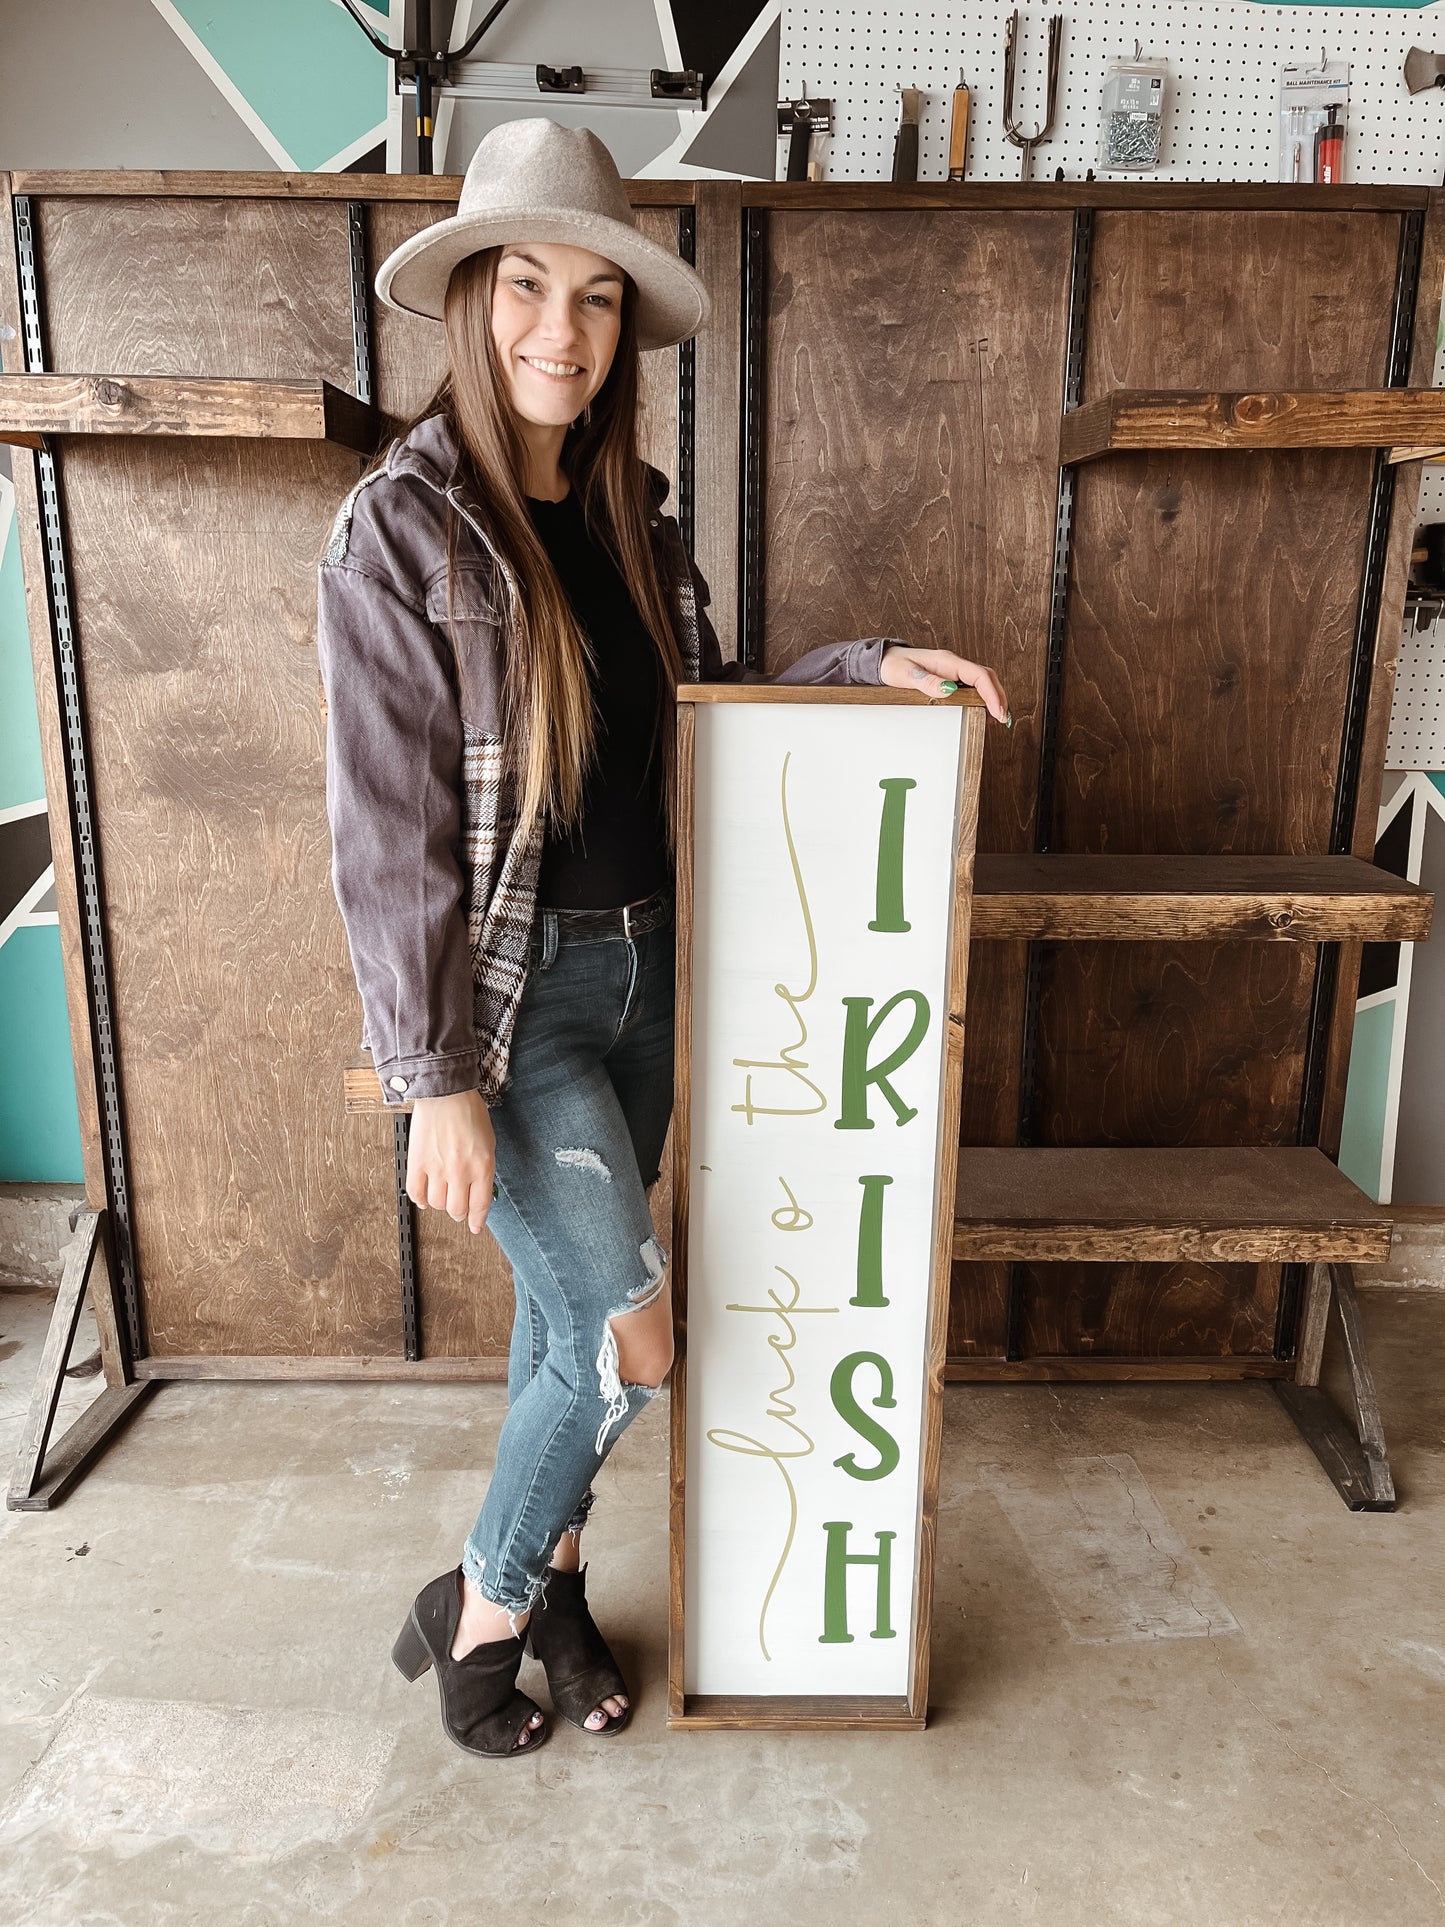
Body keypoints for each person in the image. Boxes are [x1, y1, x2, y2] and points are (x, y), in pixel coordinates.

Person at [316, 118, 1010, 1761]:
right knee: (634, 1341)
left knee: (563, 1329)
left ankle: (555, 1589)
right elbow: (387, 843)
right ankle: (480, 1607)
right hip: (518, 1006)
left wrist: (861, 668)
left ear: (625, 329)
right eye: (525, 287)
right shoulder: (396, 535)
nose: (560, 329)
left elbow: (693, 711)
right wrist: (438, 1081)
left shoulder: (635, 514)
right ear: (473, 299)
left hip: (652, 980)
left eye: (596, 299)